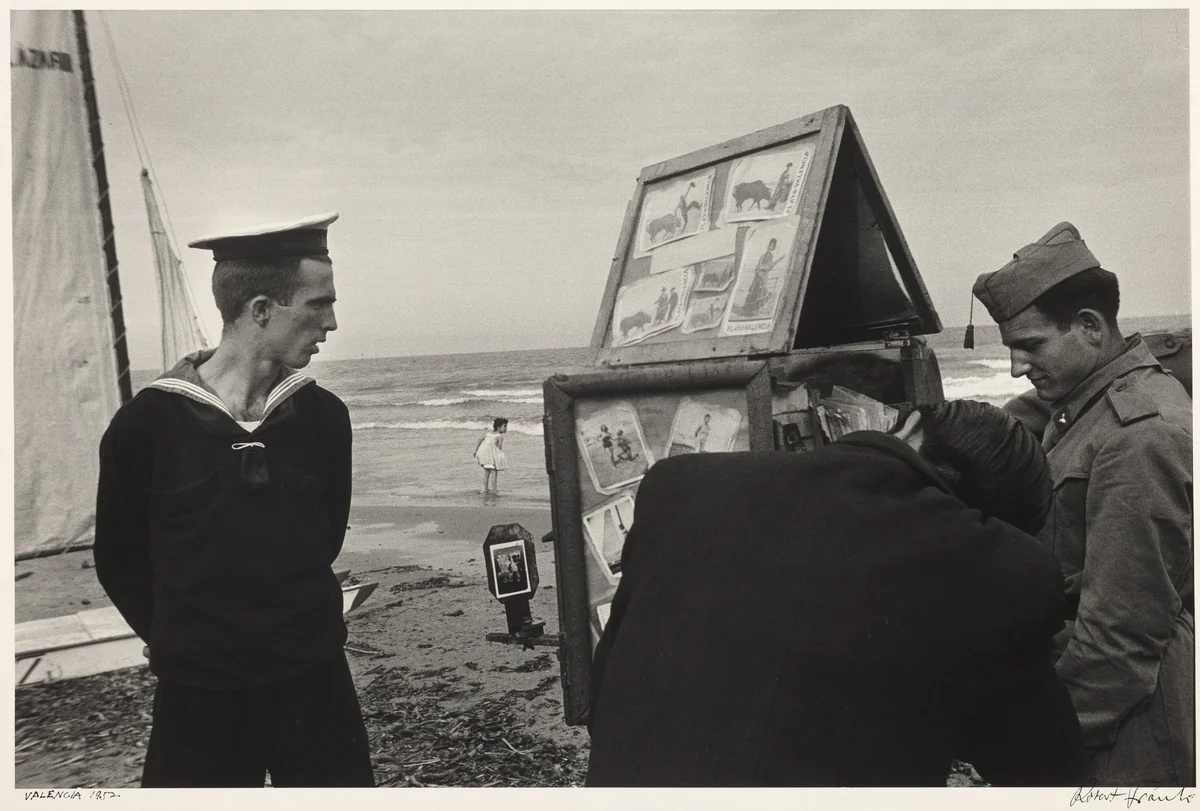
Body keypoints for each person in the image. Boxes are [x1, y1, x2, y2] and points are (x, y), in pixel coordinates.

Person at [587, 400, 1084, 786]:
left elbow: (606, 684)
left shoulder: (679, 486)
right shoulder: (1000, 567)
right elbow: (1044, 769)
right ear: (995, 521)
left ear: (908, 426)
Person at [93, 213, 374, 788]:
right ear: (263, 310)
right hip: (200, 692)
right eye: (318, 305)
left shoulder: (323, 418)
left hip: (314, 680)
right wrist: (184, 641)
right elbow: (118, 560)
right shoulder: (147, 423)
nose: (333, 322)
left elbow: (324, 540)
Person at [973, 222, 1193, 786]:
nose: (1018, 367)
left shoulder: (1138, 434)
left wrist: (1046, 745)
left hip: (1134, 732)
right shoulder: (1088, 400)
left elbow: (1122, 634)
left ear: (1090, 328)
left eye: (1031, 346)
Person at [474, 417, 509, 497]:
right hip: (491, 457)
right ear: (498, 427)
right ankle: (494, 490)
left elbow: (479, 439)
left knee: (486, 472)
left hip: (483, 455)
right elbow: (499, 449)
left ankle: (485, 489)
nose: (506, 428)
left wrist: (476, 450)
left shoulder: (488, 433)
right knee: (494, 473)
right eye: (505, 426)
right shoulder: (500, 437)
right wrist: (500, 460)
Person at [743, 238, 779, 316]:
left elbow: (769, 267)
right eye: (770, 245)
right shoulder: (763, 255)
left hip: (763, 277)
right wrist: (757, 269)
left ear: (773, 248)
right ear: (768, 245)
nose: (770, 247)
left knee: (759, 294)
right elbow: (758, 265)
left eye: (772, 246)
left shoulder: (771, 256)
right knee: (754, 291)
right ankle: (749, 310)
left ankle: (754, 311)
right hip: (757, 276)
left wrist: (763, 267)